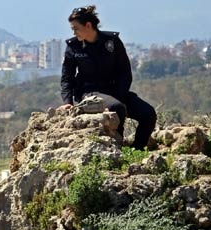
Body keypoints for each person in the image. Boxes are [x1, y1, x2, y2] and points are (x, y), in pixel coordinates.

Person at [59, 5, 157, 150]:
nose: (74, 32)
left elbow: (125, 72)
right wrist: (68, 101)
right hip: (90, 93)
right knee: (116, 108)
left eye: (76, 28)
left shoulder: (111, 42)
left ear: (88, 25)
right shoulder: (73, 47)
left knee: (148, 113)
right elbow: (67, 77)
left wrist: (120, 94)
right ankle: (117, 150)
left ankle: (137, 150)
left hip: (115, 90)